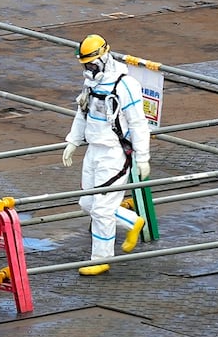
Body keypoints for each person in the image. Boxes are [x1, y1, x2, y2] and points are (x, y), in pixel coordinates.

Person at [61, 34, 152, 275]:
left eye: (92, 64)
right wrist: (73, 141)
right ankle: (132, 222)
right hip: (93, 150)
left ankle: (100, 259)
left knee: (101, 210)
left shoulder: (124, 85)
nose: (89, 69)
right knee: (87, 203)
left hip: (114, 154)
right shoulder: (90, 84)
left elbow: (139, 123)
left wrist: (142, 157)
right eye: (85, 65)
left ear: (104, 58)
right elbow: (82, 113)